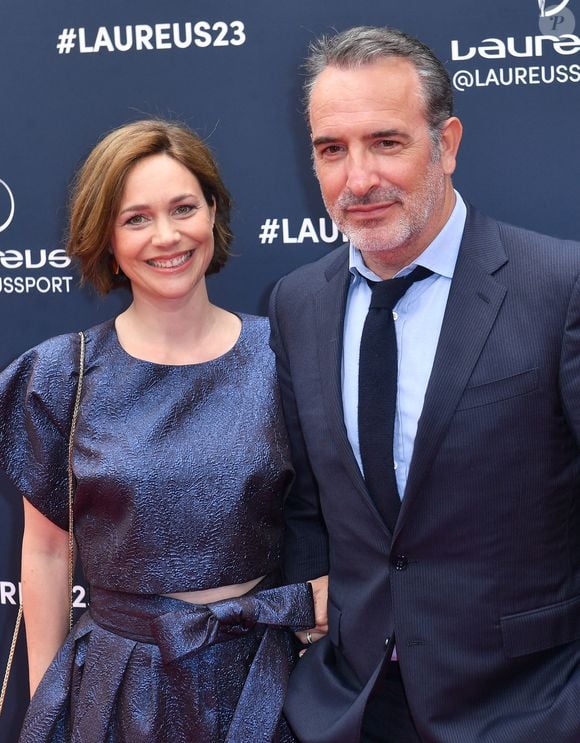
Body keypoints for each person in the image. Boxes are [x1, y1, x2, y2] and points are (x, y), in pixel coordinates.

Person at [269, 25, 580, 743]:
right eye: (331, 150)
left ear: (447, 144)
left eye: (386, 141)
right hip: (351, 703)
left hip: (529, 706)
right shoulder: (297, 302)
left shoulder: (556, 287)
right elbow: (308, 499)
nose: (359, 179)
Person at [0, 119, 321, 742]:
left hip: (265, 677)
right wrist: (49, 702)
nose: (167, 237)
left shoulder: (285, 356)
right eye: (136, 218)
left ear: (213, 213)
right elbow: (43, 550)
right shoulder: (61, 376)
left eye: (183, 208)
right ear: (107, 239)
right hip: (118, 687)